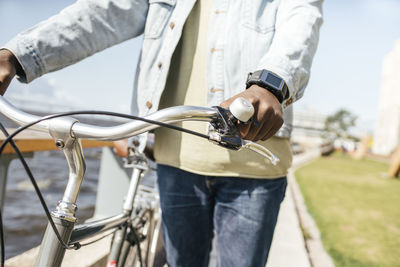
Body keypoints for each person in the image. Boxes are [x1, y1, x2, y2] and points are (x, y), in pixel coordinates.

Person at [0, 0, 323, 266]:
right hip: (175, 160)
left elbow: (300, 24)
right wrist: (16, 54)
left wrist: (271, 83)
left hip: (254, 164)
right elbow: (104, 13)